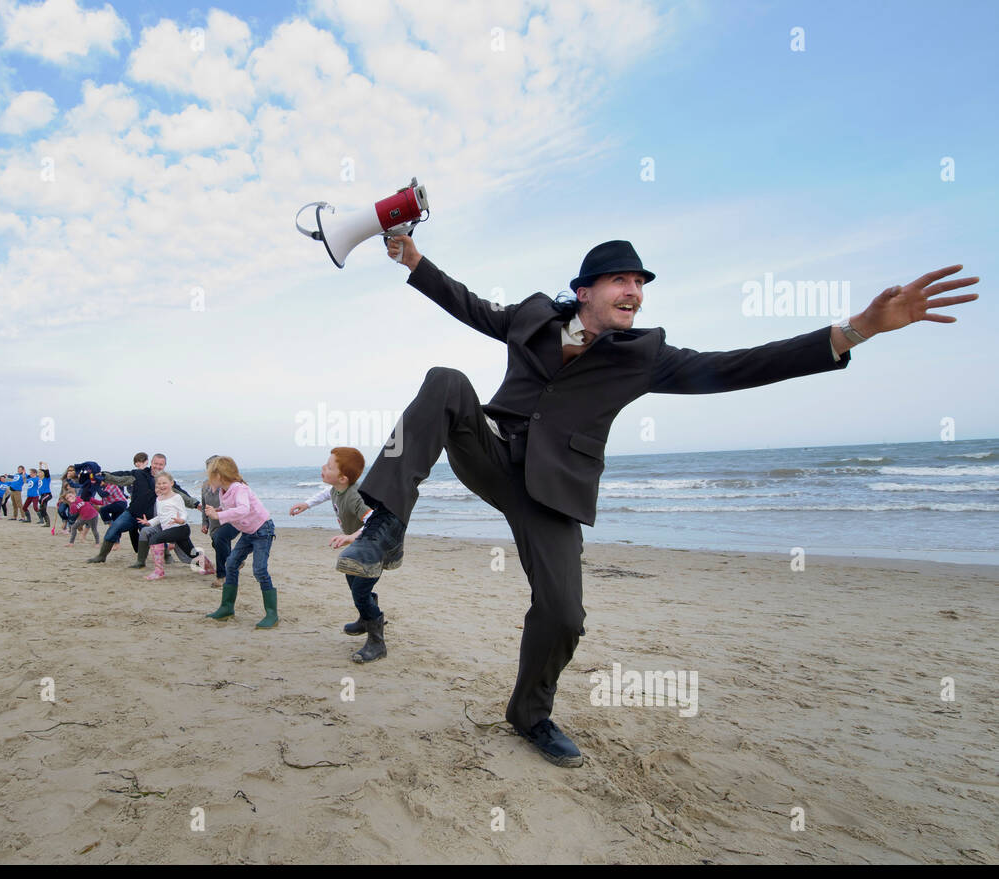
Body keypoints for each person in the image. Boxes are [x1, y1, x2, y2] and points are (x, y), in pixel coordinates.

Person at [335, 234, 979, 769]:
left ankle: (529, 714)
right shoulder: (531, 316)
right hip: (494, 451)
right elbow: (466, 304)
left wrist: (858, 329)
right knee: (446, 381)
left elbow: (739, 365)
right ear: (584, 290)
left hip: (553, 493)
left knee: (564, 615)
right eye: (619, 280)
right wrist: (414, 261)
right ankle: (387, 525)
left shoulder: (645, 356)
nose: (633, 292)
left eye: (640, 283)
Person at [290, 447, 384, 662]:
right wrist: (307, 504)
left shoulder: (354, 497)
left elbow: (374, 520)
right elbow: (327, 494)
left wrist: (351, 536)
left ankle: (377, 641)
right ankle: (366, 614)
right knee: (352, 581)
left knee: (360, 592)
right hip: (358, 547)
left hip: (373, 547)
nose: (324, 467)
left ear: (342, 478)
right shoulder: (337, 489)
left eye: (329, 466)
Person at [204, 456, 278, 628]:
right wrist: (218, 509)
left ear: (220, 476)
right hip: (248, 532)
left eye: (210, 475)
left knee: (259, 570)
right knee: (231, 564)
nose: (209, 480)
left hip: (262, 529)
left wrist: (219, 516)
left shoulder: (239, 488)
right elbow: (232, 507)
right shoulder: (224, 491)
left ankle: (272, 613)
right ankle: (227, 607)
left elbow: (243, 509)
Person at [135, 471, 210, 580]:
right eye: (159, 484)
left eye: (164, 483)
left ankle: (159, 571)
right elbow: (161, 517)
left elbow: (184, 513)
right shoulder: (159, 499)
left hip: (180, 528)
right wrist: (149, 523)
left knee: (154, 539)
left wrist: (181, 520)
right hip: (171, 530)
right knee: (191, 553)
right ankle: (209, 567)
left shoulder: (176, 497)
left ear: (171, 483)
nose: (161, 486)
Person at [200, 454, 236, 589]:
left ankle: (221, 576)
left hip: (228, 519)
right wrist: (205, 523)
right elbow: (204, 505)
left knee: (220, 540)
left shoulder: (228, 484)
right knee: (217, 543)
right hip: (213, 521)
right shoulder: (205, 485)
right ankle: (235, 560)